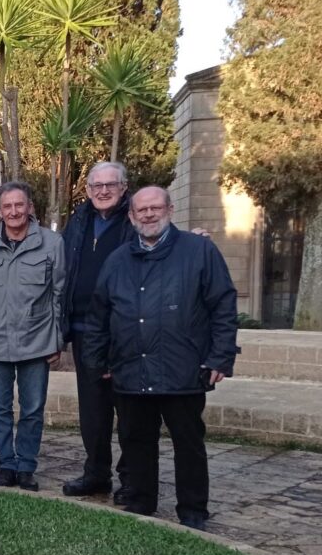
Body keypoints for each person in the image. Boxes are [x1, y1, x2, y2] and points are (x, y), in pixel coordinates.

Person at [81, 186, 238, 531]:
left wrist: (220, 357)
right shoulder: (118, 260)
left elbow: (222, 305)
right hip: (130, 368)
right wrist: (100, 361)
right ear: (132, 216)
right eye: (142, 210)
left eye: (155, 208)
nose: (149, 214)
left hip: (183, 367)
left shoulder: (199, 251)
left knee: (188, 442)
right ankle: (140, 503)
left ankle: (193, 510)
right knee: (136, 441)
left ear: (169, 209)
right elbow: (98, 316)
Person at [0, 182, 66, 492]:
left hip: (36, 341)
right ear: (0, 210)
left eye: (19, 205)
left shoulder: (52, 244)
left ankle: (26, 466)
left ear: (29, 207)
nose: (13, 211)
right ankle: (6, 464)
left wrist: (58, 340)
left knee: (32, 409)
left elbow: (59, 294)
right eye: (7, 206)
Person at [58, 161, 137, 504]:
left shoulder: (135, 219)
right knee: (93, 410)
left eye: (111, 185)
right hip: (84, 330)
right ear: (88, 190)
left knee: (129, 410)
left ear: (123, 187)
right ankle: (97, 474)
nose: (103, 191)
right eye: (97, 186)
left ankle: (132, 479)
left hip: (123, 332)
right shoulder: (78, 221)